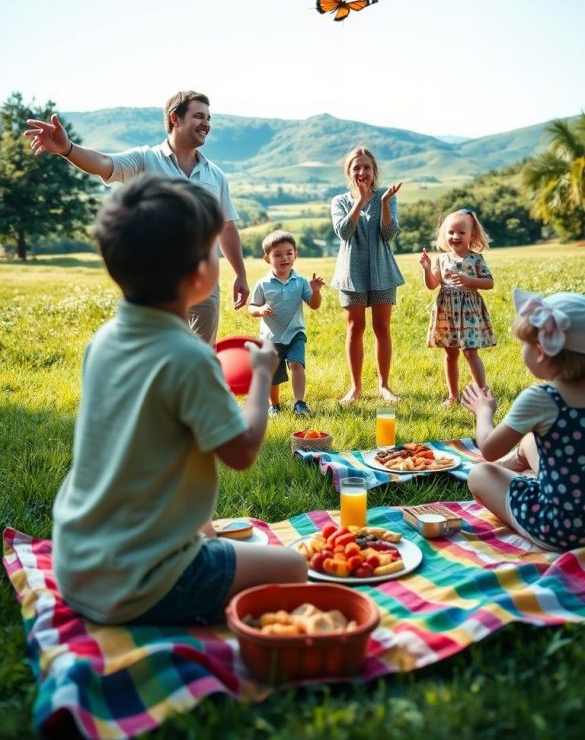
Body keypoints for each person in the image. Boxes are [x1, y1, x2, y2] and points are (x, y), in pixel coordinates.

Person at [52, 175, 307, 626]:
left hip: (76, 565)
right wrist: (263, 375)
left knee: (209, 528)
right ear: (197, 276)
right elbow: (242, 451)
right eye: (213, 251)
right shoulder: (188, 357)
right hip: (139, 585)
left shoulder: (104, 340)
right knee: (293, 566)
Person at [24, 90, 249, 344]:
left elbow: (227, 228)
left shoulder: (215, 175)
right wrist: (68, 148)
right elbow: (104, 163)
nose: (206, 123)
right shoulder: (145, 160)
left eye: (209, 117)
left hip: (203, 282)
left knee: (202, 353)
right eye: (199, 116)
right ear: (175, 119)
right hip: (156, 281)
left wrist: (240, 274)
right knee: (158, 350)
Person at [461, 288, 585, 551]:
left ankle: (517, 478)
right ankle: (519, 463)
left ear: (540, 351)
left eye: (524, 344)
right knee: (531, 439)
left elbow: (489, 450)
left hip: (559, 529)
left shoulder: (542, 399)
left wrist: (484, 411)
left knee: (479, 474)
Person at [330, 147, 404, 407]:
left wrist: (382, 203)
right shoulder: (339, 201)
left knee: (382, 328)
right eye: (356, 168)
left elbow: (389, 233)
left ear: (374, 171)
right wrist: (360, 201)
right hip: (352, 273)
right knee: (355, 328)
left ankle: (384, 386)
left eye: (366, 167)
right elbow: (344, 232)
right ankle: (356, 387)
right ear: (349, 173)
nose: (362, 172)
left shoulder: (387, 196)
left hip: (382, 271)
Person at [420, 208, 495, 407]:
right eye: (451, 232)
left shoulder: (476, 259)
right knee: (450, 353)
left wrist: (467, 279)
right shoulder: (442, 259)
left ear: (472, 235)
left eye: (461, 232)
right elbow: (432, 284)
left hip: (469, 312)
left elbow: (489, 283)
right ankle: (453, 396)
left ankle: (482, 394)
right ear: (445, 235)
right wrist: (427, 268)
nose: (455, 236)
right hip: (447, 311)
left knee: (470, 352)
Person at [248, 230, 325, 417]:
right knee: (273, 375)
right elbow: (251, 308)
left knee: (297, 364)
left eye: (289, 253)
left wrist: (315, 291)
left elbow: (314, 305)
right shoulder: (263, 283)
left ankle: (299, 403)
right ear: (267, 258)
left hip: (295, 332)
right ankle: (274, 406)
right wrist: (260, 309)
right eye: (278, 254)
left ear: (296, 255)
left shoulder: (300, 282)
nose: (285, 258)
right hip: (271, 338)